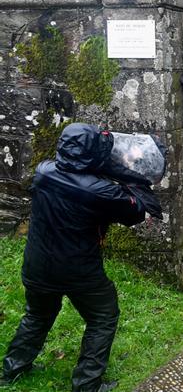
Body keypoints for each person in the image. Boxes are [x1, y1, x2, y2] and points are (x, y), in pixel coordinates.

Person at [1, 124, 161, 392]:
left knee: (37, 315)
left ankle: (12, 369)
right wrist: (125, 175)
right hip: (78, 270)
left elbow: (76, 175)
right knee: (103, 317)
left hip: (37, 264)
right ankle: (86, 385)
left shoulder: (43, 172)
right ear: (94, 153)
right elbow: (136, 212)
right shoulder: (101, 192)